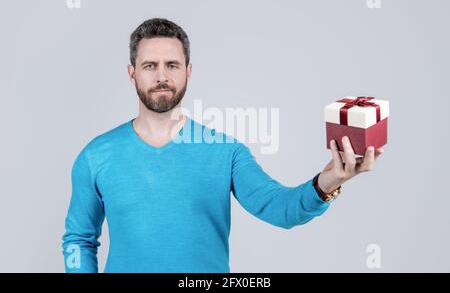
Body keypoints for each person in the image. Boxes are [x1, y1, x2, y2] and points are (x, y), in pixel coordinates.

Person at [62, 18, 384, 273]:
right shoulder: (95, 156)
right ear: (132, 74)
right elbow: (79, 239)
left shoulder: (226, 153)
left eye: (172, 65)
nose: (162, 76)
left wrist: (330, 179)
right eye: (150, 66)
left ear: (188, 72)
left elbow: (280, 208)